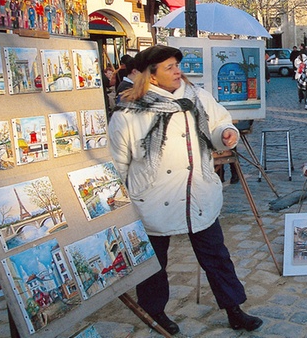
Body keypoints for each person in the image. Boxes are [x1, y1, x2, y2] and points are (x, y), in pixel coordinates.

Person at [108, 45, 262, 334]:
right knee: (154, 264)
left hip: (198, 191)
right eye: (169, 67)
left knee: (216, 256)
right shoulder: (128, 113)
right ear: (151, 77)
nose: (178, 70)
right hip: (153, 198)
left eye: (177, 64)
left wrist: (225, 135)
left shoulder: (197, 97)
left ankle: (234, 309)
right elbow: (118, 162)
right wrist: (121, 205)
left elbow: (219, 124)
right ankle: (155, 313)